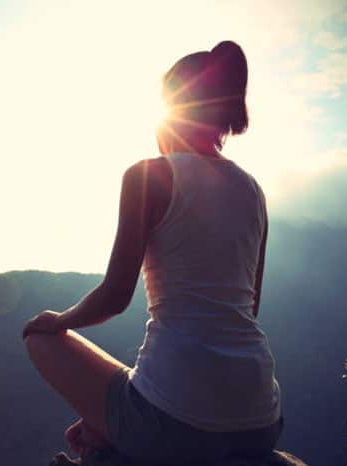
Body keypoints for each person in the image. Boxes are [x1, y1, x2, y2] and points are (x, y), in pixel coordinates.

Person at [22, 40, 283, 465]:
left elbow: (115, 296)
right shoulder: (253, 192)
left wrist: (59, 320)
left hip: (179, 424)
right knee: (136, 389)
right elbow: (249, 304)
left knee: (38, 338)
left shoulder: (149, 175)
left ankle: (114, 433)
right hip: (262, 420)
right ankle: (112, 428)